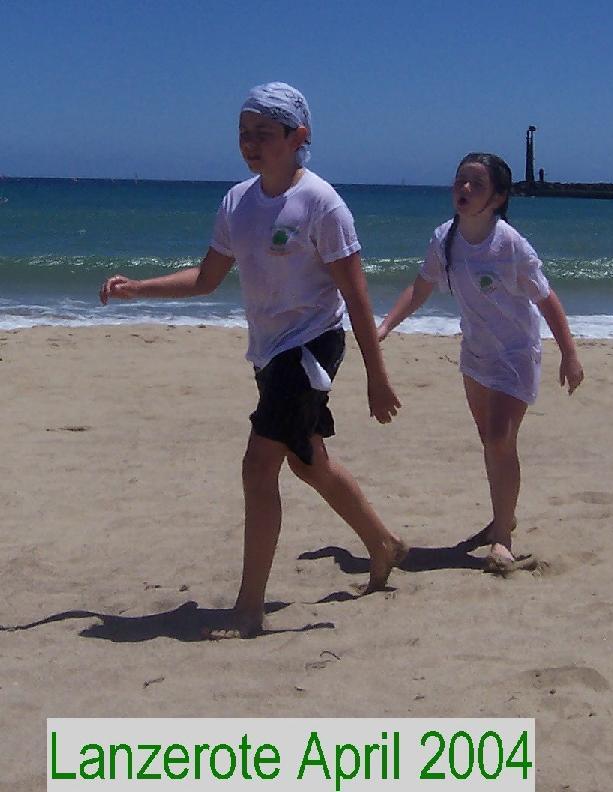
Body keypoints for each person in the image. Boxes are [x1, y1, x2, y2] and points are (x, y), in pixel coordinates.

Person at [99, 82, 407, 636]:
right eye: (244, 133)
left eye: (263, 133)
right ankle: (382, 543)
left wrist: (377, 376)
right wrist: (138, 288)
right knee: (307, 461)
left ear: (298, 136)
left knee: (258, 464)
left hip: (312, 344)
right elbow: (207, 277)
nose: (250, 143)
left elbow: (357, 297)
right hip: (269, 351)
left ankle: (248, 608)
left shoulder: (322, 204)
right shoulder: (237, 202)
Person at [378, 152, 584, 572]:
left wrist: (569, 353)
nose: (465, 189)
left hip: (516, 355)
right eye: (460, 180)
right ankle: (502, 517)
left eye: (477, 184)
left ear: (498, 197)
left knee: (498, 440)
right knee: (490, 442)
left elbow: (546, 298)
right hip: (475, 354)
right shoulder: (445, 238)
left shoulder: (509, 244)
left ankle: (502, 538)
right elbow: (420, 288)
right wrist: (384, 326)